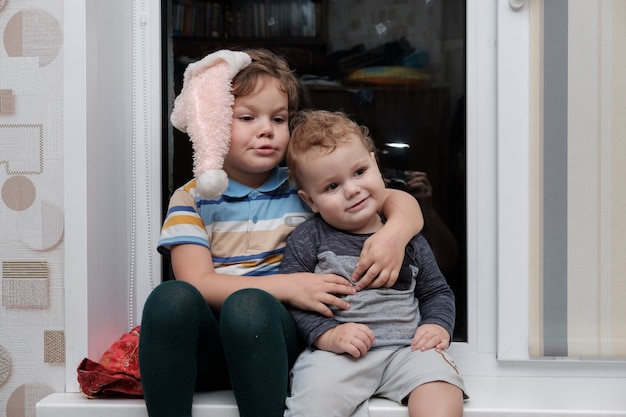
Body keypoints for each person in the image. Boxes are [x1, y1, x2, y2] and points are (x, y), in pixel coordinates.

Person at [138, 49, 425, 417]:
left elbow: (397, 200)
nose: (266, 130)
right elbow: (198, 281)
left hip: (280, 344)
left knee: (250, 307)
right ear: (211, 123)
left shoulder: (303, 188)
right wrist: (289, 285)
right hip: (211, 353)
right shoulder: (192, 198)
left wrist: (392, 236)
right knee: (169, 298)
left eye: (278, 118)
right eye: (247, 117)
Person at [282, 109, 467, 417]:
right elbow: (296, 302)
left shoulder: (406, 236)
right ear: (310, 200)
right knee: (313, 399)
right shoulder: (308, 239)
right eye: (332, 186)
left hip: (408, 350)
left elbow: (437, 292)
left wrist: (437, 325)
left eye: (359, 172)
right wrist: (328, 335)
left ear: (375, 164)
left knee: (441, 384)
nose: (352, 189)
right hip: (340, 355)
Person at [384, 169, 459, 272]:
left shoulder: (418, 226)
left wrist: (426, 208)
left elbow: (445, 261)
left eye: (400, 181)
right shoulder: (367, 217)